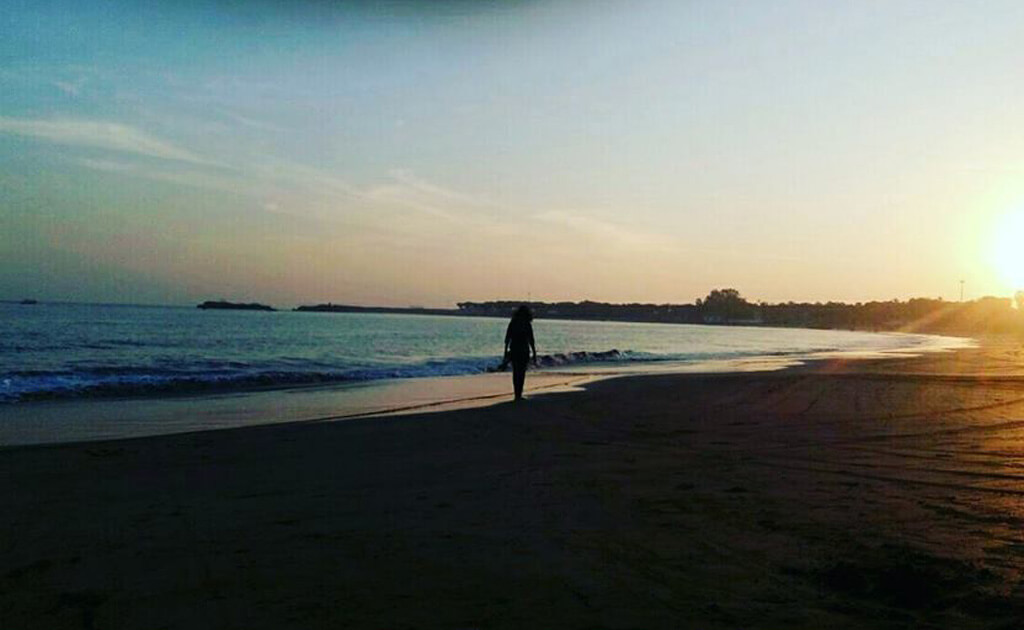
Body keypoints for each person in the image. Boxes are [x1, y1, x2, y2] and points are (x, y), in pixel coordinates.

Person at [503, 305, 537, 401]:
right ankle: (519, 394)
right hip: (524, 350)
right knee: (521, 373)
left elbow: (507, 339)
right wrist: (534, 353)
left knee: (516, 372)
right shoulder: (527, 324)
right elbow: (531, 340)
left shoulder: (513, 323)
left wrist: (505, 353)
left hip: (514, 349)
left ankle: (516, 394)